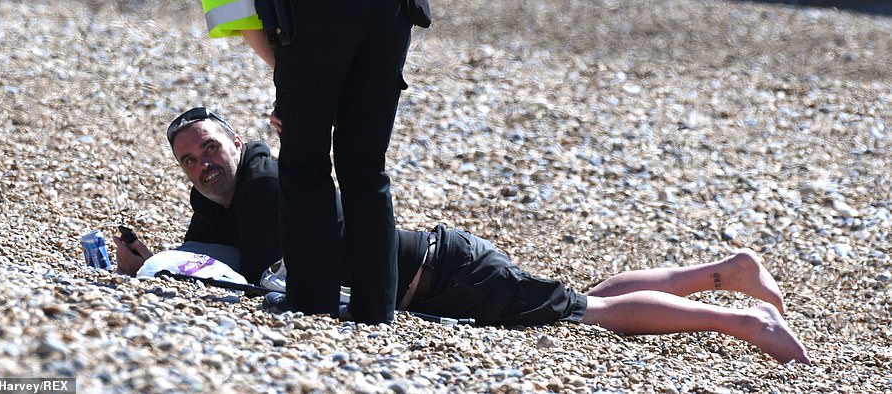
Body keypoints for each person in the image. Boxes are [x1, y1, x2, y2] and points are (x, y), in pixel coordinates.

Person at [114, 109, 810, 365]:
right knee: (578, 301)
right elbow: (216, 261)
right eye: (188, 160)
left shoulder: (265, 179)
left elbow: (263, 270)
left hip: (443, 272)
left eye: (209, 149)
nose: (202, 166)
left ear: (236, 142)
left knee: (591, 314)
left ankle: (744, 325)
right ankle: (726, 271)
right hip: (447, 267)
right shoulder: (220, 200)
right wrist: (151, 266)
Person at [192, 0, 413, 324]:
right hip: (392, 2)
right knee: (365, 164)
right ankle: (376, 310)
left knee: (304, 159)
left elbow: (242, 16)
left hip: (323, 1)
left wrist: (296, 82)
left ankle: (311, 301)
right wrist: (319, 80)